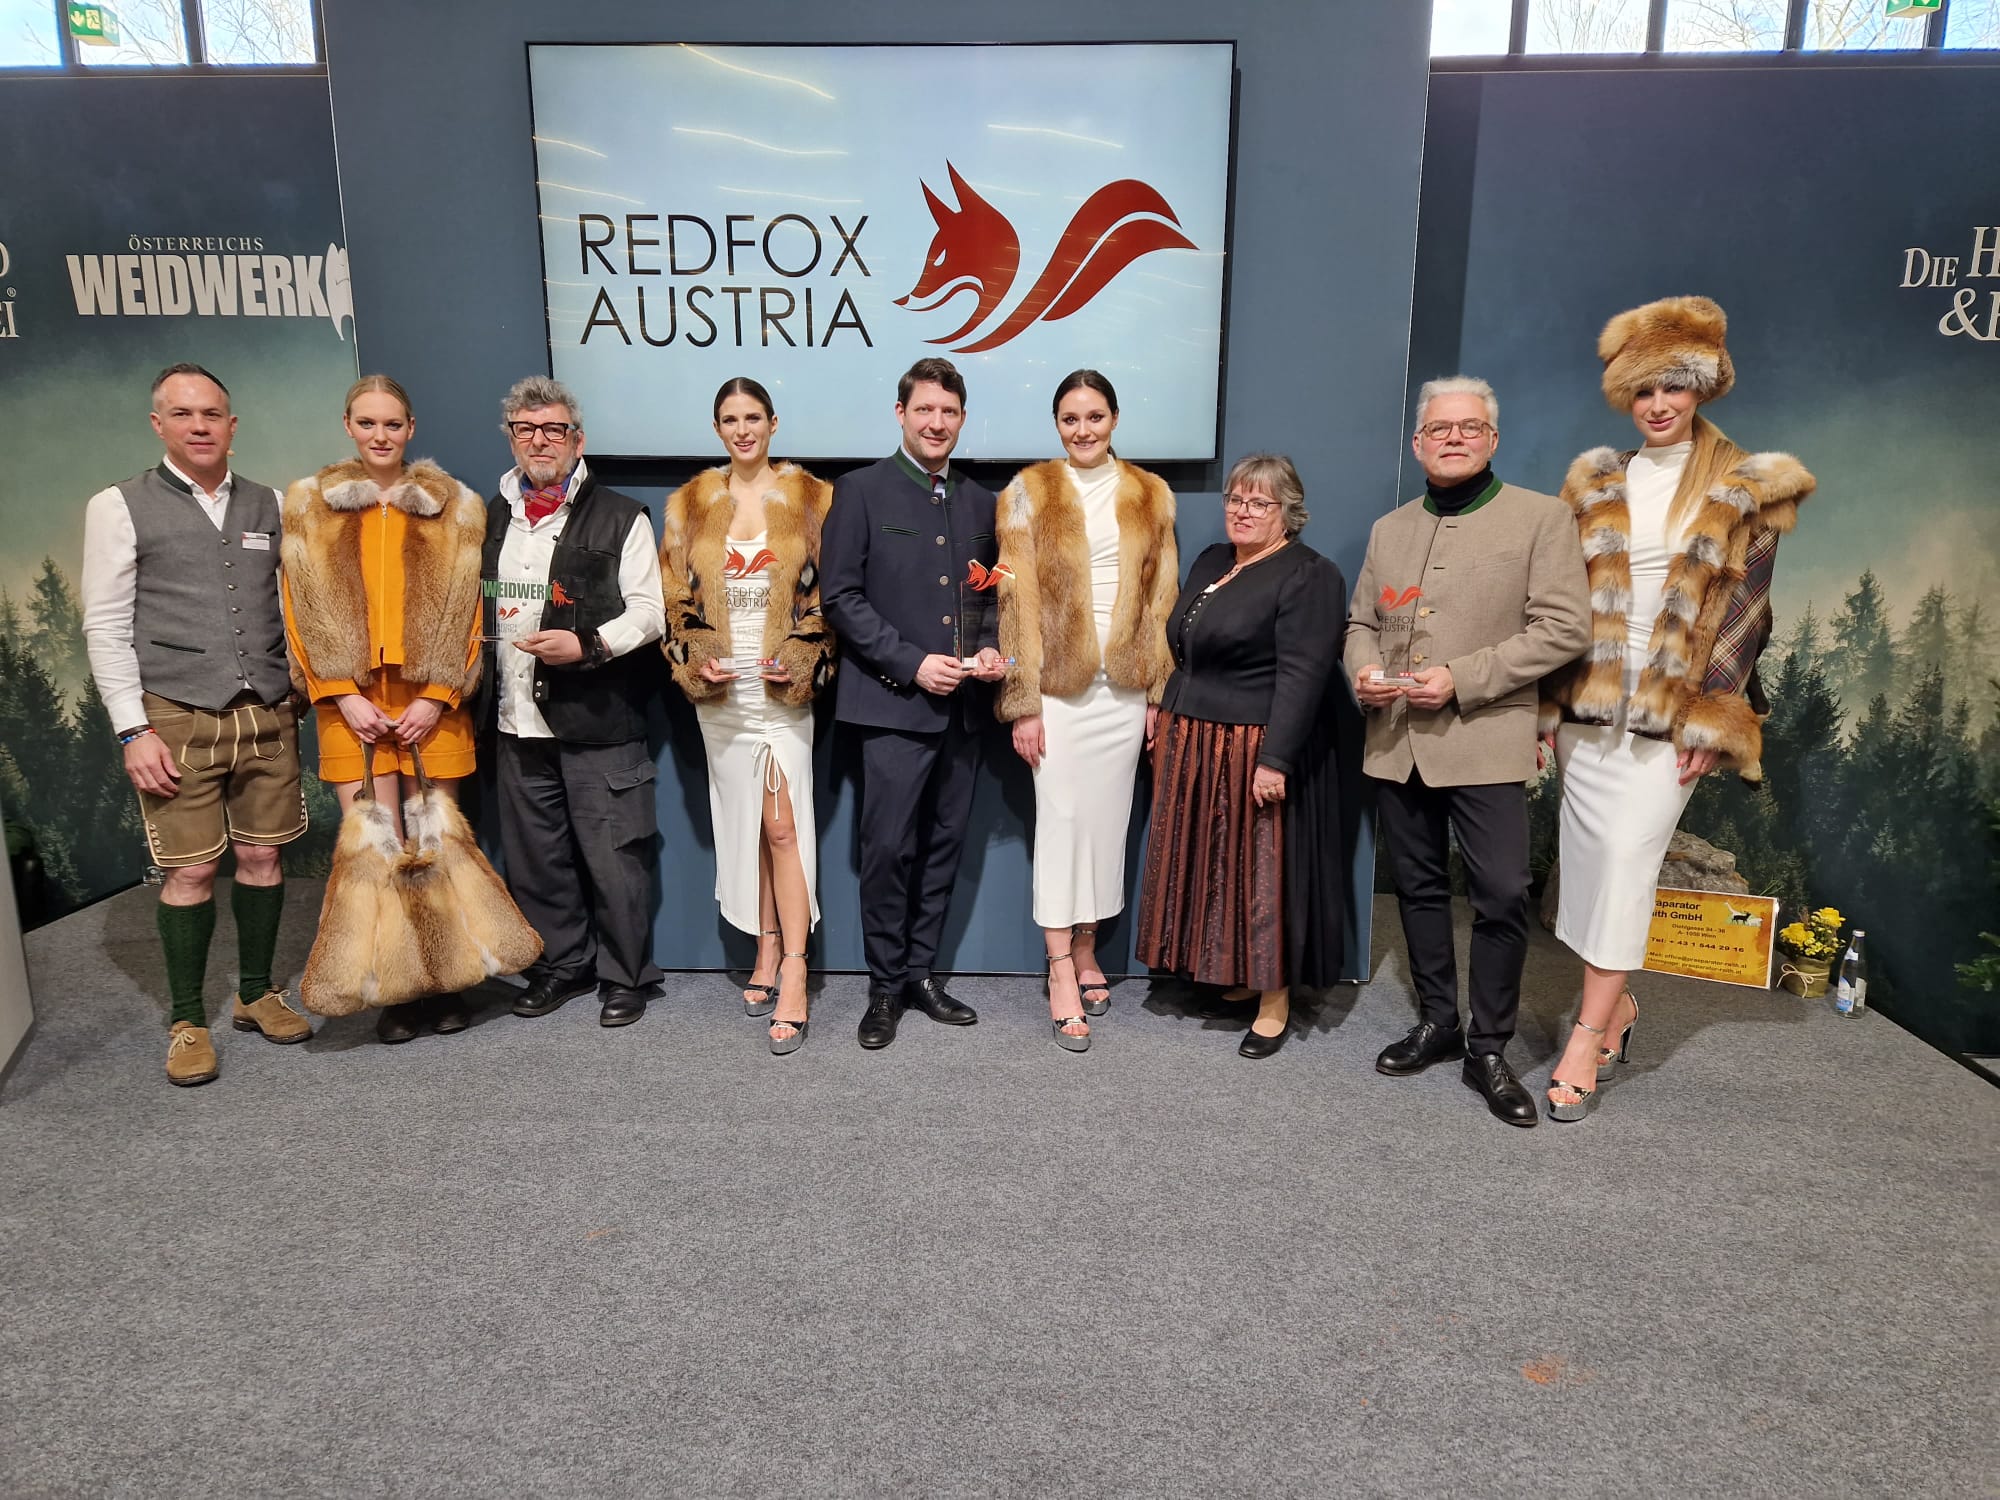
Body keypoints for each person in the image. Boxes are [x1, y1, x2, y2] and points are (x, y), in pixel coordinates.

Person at [1542, 296, 1813, 1121]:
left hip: (1672, 710)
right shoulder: (1596, 480)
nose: (1658, 404)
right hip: (1591, 705)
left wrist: (1715, 719)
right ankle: (1618, 1005)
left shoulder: (1748, 485)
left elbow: (1747, 616)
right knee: (1591, 867)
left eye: (1674, 387)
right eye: (1644, 390)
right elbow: (1566, 599)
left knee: (1627, 860)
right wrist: (1549, 704)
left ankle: (1587, 1035)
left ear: (1703, 388)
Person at [1344, 376, 1591, 1127]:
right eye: (1440, 429)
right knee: (1418, 889)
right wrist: (1362, 671)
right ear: (1418, 443)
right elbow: (1362, 623)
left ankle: (1489, 1047)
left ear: (1492, 439)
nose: (1454, 438)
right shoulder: (1390, 530)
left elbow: (1564, 629)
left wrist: (1462, 678)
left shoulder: (1541, 518)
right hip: (1397, 742)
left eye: (1469, 427)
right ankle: (1439, 1021)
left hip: (1486, 738)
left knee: (1502, 893)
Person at [81, 364, 312, 1086]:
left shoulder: (272, 503)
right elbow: (105, 626)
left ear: (232, 425)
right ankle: (186, 1020)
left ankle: (256, 993)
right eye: (183, 414)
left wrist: (298, 683)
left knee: (263, 857)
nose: (200, 425)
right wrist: (132, 730)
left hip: (265, 712)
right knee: (190, 869)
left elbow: (293, 605)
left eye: (212, 413)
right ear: (159, 424)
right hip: (174, 716)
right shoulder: (118, 506)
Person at [280, 374, 486, 1044]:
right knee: (379, 847)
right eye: (367, 423)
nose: (380, 435)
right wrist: (341, 694)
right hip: (350, 701)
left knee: (436, 844)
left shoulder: (456, 505)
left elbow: (469, 611)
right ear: (348, 426)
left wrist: (438, 695)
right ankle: (399, 991)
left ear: (411, 428)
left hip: (431, 700)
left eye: (392, 424)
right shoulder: (309, 503)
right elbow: (298, 608)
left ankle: (448, 981)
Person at [820, 356, 1007, 1050]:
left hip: (963, 711)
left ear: (962, 418)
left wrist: (989, 649)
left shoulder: (983, 502)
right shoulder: (861, 490)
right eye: (924, 409)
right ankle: (884, 986)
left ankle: (921, 973)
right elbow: (840, 597)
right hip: (891, 705)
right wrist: (911, 662)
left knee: (943, 848)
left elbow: (990, 593)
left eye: (948, 412)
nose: (936, 422)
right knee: (888, 851)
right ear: (901, 413)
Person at [1136, 454, 1345, 1058]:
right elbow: (1184, 649)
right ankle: (1236, 976)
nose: (1243, 511)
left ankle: (1275, 999)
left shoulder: (1309, 575)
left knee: (1262, 872)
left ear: (1288, 513)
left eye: (1259, 503)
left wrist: (1276, 759)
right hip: (1195, 740)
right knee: (1215, 866)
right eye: (1235, 499)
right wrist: (1164, 706)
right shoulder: (1211, 560)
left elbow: (1305, 675)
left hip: (1254, 744)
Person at [994, 370, 1178, 1052]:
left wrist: (1156, 693)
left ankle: (1088, 944)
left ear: (1115, 419)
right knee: (1061, 823)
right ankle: (1059, 965)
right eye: (1070, 418)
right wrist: (1023, 701)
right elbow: (1013, 602)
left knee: (1107, 825)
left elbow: (1162, 600)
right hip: (1058, 691)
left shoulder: (1151, 494)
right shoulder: (1027, 491)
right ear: (1057, 424)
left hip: (1123, 689)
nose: (1083, 429)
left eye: (1094, 416)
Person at [482, 376, 666, 1030]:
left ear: (577, 439)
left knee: (617, 860)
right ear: (511, 438)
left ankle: (625, 977)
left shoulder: (621, 515)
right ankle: (564, 966)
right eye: (526, 429)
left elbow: (650, 612)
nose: (540, 441)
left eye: (553, 429)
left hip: (599, 719)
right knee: (538, 860)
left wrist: (587, 644)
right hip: (514, 718)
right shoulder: (491, 516)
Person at [661, 377, 836, 1054]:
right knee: (751, 827)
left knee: (784, 826)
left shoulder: (815, 499)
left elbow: (831, 600)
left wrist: (801, 657)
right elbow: (674, 601)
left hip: (780, 694)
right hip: (723, 696)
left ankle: (795, 965)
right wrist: (695, 657)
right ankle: (763, 945)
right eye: (731, 419)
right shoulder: (688, 504)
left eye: (753, 417)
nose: (743, 430)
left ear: (773, 423)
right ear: (717, 429)